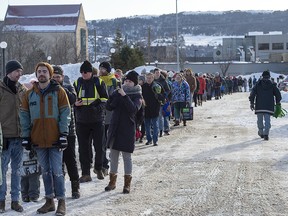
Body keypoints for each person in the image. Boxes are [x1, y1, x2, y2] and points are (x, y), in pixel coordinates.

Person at [19, 62, 71, 215]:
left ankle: (61, 201)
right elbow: (24, 116)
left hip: (55, 139)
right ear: (36, 74)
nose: (41, 74)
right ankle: (49, 201)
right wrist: (26, 137)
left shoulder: (59, 92)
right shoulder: (29, 95)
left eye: (44, 71)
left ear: (49, 74)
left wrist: (63, 134)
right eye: (39, 71)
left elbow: (65, 114)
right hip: (38, 140)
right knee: (45, 172)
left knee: (57, 172)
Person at [104, 71, 142, 194]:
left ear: (134, 83)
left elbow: (133, 109)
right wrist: (113, 96)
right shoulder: (118, 92)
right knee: (113, 155)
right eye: (126, 80)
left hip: (127, 129)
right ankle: (112, 182)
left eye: (130, 81)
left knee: (126, 157)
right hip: (115, 127)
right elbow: (109, 107)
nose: (127, 83)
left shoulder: (137, 96)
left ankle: (127, 184)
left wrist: (125, 96)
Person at [73, 60, 108, 182]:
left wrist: (96, 108)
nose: (83, 74)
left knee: (99, 146)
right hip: (82, 121)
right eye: (82, 72)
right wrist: (75, 104)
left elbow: (105, 99)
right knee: (83, 148)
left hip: (97, 120)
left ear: (91, 72)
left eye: (86, 72)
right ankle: (85, 173)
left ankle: (98, 168)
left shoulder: (98, 82)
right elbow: (72, 100)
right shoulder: (77, 82)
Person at [0, 60, 26, 213]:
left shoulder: (22, 89)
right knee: (2, 172)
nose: (19, 74)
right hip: (4, 139)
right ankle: (1, 201)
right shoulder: (1, 89)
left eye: (21, 72)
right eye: (17, 71)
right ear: (9, 72)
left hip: (19, 137)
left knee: (17, 171)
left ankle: (15, 200)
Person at [52, 65, 80, 199]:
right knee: (57, 162)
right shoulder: (48, 89)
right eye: (54, 77)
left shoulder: (68, 87)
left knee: (70, 160)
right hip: (53, 131)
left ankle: (75, 186)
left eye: (58, 77)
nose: (56, 79)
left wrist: (60, 88)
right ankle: (59, 188)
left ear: (62, 77)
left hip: (69, 131)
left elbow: (73, 99)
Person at [99, 61, 121, 176]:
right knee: (102, 141)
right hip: (101, 115)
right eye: (100, 68)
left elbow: (118, 97)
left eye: (103, 69)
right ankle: (104, 164)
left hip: (112, 115)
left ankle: (114, 161)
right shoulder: (97, 80)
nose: (101, 70)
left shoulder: (114, 81)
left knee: (112, 140)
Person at [249, 70, 282, 141]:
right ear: (269, 77)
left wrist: (252, 102)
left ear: (262, 76)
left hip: (259, 106)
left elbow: (252, 94)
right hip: (269, 106)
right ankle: (266, 134)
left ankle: (261, 133)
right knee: (267, 121)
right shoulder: (272, 85)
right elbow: (278, 95)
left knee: (260, 121)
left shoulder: (258, 84)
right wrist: (278, 103)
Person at [142, 72, 164, 146]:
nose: (149, 79)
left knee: (155, 125)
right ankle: (149, 139)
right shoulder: (143, 86)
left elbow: (163, 95)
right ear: (145, 78)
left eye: (150, 78)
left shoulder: (157, 86)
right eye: (147, 78)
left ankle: (155, 140)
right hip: (146, 107)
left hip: (155, 107)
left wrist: (158, 95)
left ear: (153, 78)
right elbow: (140, 96)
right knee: (147, 125)